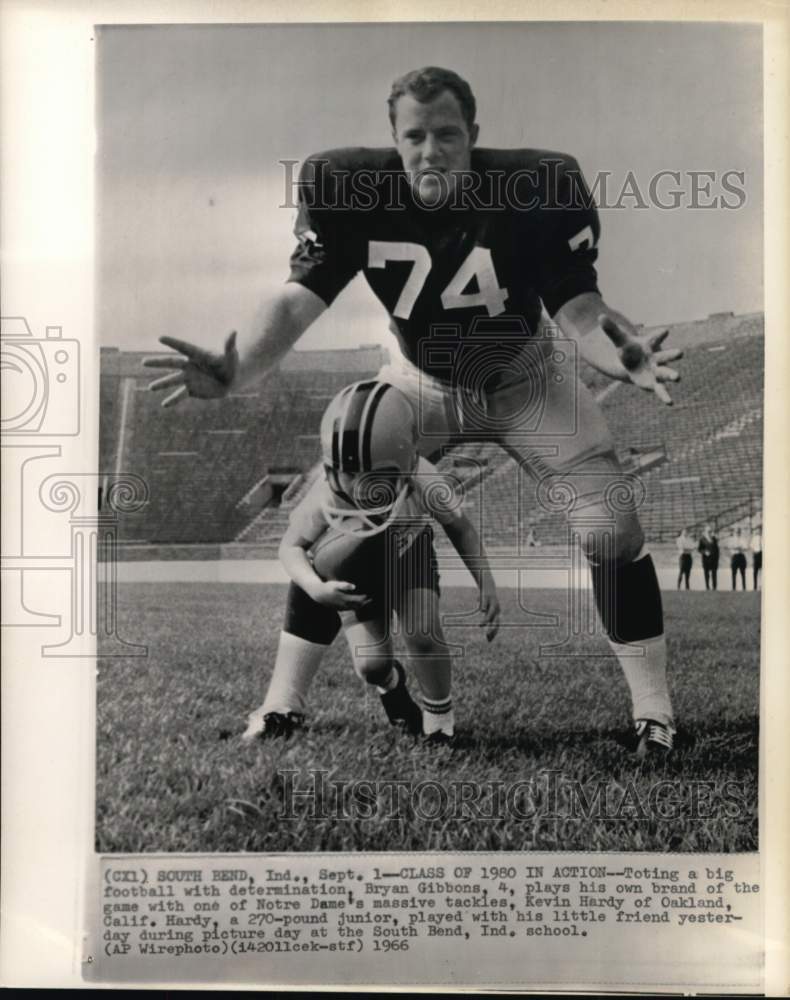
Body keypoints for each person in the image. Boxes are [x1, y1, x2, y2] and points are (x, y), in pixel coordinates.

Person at [144, 66, 683, 756]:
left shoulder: (537, 184)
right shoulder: (347, 186)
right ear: (394, 138)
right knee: (341, 509)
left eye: (448, 135)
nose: (432, 151)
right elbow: (296, 300)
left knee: (610, 528)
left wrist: (620, 355)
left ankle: (653, 712)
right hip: (419, 382)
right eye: (416, 136)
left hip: (525, 378)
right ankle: (282, 703)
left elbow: (581, 307)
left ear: (474, 135)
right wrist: (238, 368)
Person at [241, 380, 501, 743]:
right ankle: (391, 684)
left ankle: (439, 720)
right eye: (349, 472)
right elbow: (291, 547)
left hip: (408, 554)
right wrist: (316, 588)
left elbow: (461, 529)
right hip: (358, 572)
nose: (358, 485)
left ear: (405, 463)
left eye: (373, 474)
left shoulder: (424, 478)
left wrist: (486, 581)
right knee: (371, 667)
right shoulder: (325, 495)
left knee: (423, 632)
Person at [698, 524, 720, 591]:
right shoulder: (702, 539)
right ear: (705, 531)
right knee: (706, 573)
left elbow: (717, 549)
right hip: (706, 559)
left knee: (714, 573)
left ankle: (714, 587)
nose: (709, 532)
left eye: (710, 531)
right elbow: (699, 549)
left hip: (714, 559)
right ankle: (707, 587)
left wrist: (717, 558)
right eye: (708, 531)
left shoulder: (714, 539)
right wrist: (705, 552)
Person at [750, 525, 762, 590]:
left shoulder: (764, 537)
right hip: (756, 555)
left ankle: (761, 585)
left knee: (762, 572)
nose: (759, 531)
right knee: (755, 571)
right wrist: (754, 552)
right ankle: (755, 586)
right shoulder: (754, 538)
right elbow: (751, 546)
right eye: (758, 530)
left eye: (760, 530)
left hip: (762, 554)